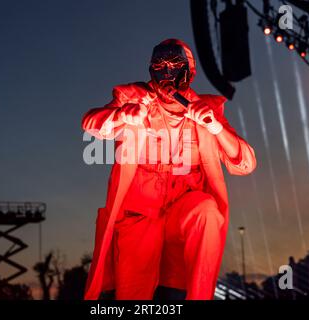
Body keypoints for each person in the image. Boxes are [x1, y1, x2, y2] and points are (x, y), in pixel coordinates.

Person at [81, 39, 256, 300]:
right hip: (140, 213)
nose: (166, 72)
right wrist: (121, 116)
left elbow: (245, 164)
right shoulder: (133, 97)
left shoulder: (207, 109)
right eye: (159, 65)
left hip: (181, 209)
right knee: (131, 294)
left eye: (174, 65)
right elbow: (90, 124)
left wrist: (216, 128)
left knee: (207, 211)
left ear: (189, 69)